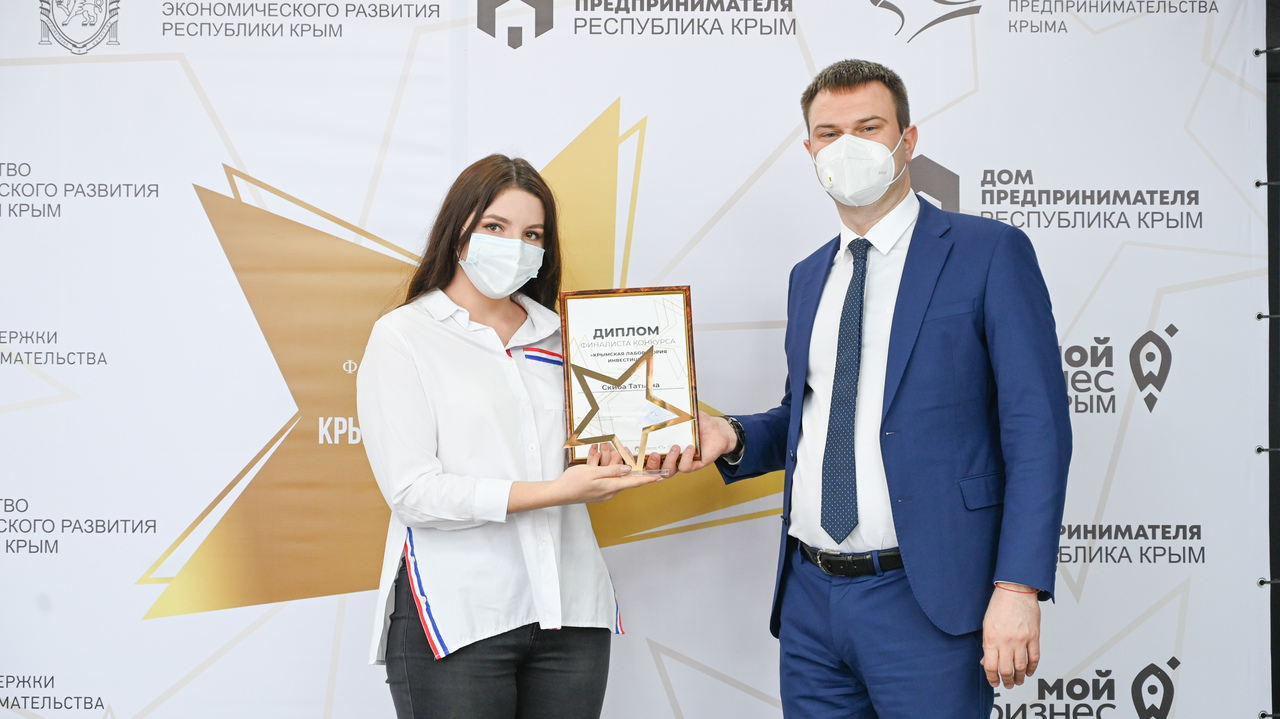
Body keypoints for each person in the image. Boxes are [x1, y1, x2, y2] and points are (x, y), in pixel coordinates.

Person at [656, 60, 1072, 718]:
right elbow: (812, 416)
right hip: (810, 602)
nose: (846, 146)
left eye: (868, 127)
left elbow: (1037, 428)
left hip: (928, 597)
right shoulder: (807, 277)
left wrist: (1018, 585)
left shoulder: (989, 252)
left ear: (908, 140)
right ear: (810, 151)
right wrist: (731, 434)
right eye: (829, 133)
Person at [357, 154, 658, 719]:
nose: (514, 246)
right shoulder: (404, 337)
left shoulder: (570, 338)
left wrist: (619, 457)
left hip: (571, 612)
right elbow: (414, 493)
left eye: (532, 234)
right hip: (458, 615)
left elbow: (595, 456)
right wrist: (557, 491)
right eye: (495, 227)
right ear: (458, 231)